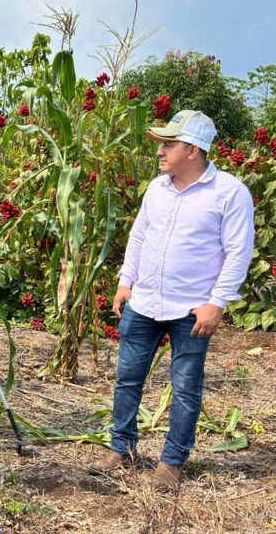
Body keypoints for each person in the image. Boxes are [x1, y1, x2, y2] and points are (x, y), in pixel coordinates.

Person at [91, 110, 254, 489]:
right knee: (128, 379)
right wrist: (125, 281)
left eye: (169, 144)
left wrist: (217, 303)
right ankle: (122, 448)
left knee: (185, 387)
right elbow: (139, 236)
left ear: (193, 150)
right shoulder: (156, 188)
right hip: (144, 302)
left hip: (191, 309)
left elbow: (237, 252)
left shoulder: (229, 192)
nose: (161, 152)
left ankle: (171, 463)